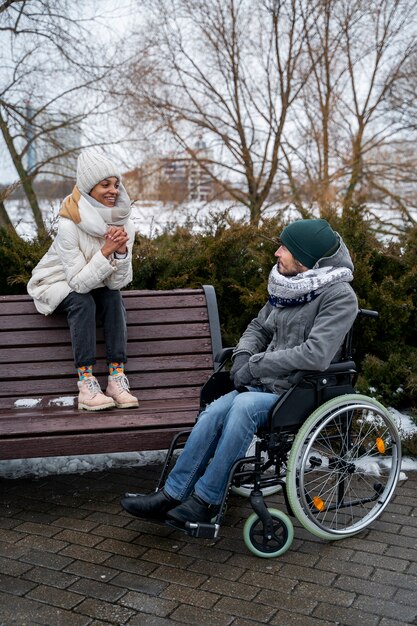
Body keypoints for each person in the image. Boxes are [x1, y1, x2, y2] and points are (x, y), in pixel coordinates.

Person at [121, 218, 358, 526]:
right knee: (216, 409)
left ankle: (207, 500)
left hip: (302, 390)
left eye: (284, 248)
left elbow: (316, 354)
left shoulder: (338, 296)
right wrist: (244, 355)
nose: (277, 254)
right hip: (266, 386)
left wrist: (257, 364)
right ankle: (173, 494)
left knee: (242, 406)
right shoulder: (292, 286)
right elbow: (259, 326)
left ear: (305, 257)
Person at [27, 148, 139, 411]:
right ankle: (86, 384)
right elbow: (77, 283)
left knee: (112, 297)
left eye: (116, 184)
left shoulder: (125, 225)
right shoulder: (70, 223)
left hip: (92, 282)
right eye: (105, 185)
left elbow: (117, 283)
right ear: (89, 188)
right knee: (82, 301)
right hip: (53, 282)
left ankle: (115, 378)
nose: (113, 190)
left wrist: (121, 254)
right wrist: (106, 252)